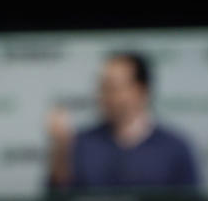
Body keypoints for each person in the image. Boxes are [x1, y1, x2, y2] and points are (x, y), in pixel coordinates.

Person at [48, 52, 199, 190]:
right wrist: (61, 152)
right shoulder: (80, 144)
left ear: (141, 91)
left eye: (113, 88)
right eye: (102, 87)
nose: (104, 96)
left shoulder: (175, 148)